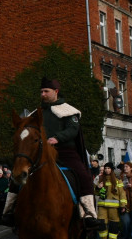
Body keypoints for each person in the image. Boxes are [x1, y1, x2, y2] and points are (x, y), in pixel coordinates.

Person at [17, 77, 98, 230]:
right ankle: (10, 211)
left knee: (83, 176)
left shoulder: (68, 111)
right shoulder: (36, 114)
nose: (43, 94)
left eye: (46, 91)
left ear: (56, 92)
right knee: (18, 173)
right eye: (41, 91)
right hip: (42, 153)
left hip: (64, 152)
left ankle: (88, 213)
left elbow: (73, 130)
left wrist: (57, 138)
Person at [95, 162, 126, 239]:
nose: (107, 170)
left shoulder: (117, 180)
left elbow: (122, 194)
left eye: (108, 168)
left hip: (114, 207)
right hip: (102, 206)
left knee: (113, 226)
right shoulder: (100, 179)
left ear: (112, 170)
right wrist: (98, 188)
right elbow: (95, 192)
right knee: (101, 224)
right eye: (105, 168)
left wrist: (123, 206)